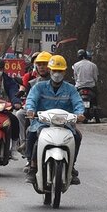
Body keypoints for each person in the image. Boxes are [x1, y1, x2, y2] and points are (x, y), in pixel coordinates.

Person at [24, 55, 85, 185]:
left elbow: (78, 103)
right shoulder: (39, 87)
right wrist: (30, 110)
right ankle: (32, 165)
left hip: (65, 124)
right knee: (32, 134)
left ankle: (71, 166)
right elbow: (31, 100)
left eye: (60, 71)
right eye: (54, 71)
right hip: (43, 122)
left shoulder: (71, 89)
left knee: (77, 136)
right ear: (50, 70)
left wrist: (80, 114)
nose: (57, 74)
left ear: (64, 72)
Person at [16, 51, 53, 156]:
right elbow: (30, 99)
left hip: (55, 114)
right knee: (24, 120)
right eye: (39, 64)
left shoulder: (65, 85)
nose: (42, 67)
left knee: (75, 135)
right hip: (37, 114)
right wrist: (31, 109)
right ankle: (26, 147)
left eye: (44, 64)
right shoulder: (32, 83)